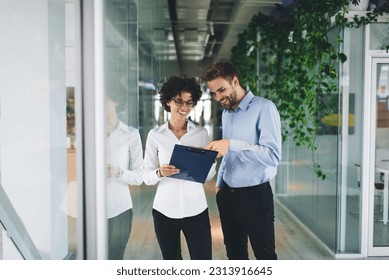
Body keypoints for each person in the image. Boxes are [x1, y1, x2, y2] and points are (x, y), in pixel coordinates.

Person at [203, 61, 281, 260]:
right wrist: (220, 184)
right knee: (235, 256)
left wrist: (232, 144)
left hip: (255, 197)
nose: (218, 97)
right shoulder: (227, 113)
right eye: (214, 93)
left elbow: (272, 155)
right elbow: (228, 154)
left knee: (265, 257)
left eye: (221, 90)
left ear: (235, 81)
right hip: (228, 195)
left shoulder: (264, 108)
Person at [143, 75, 216, 260]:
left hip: (196, 209)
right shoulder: (155, 135)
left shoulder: (201, 133)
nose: (184, 108)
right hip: (164, 211)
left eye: (189, 103)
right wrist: (160, 172)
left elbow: (208, 176)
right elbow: (146, 175)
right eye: (179, 102)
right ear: (168, 101)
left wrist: (207, 160)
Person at [105, 88, 143, 260]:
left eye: (105, 99)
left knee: (115, 258)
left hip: (120, 207)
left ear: (116, 102)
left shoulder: (131, 135)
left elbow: (139, 176)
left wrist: (118, 172)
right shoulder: (87, 133)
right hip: (92, 209)